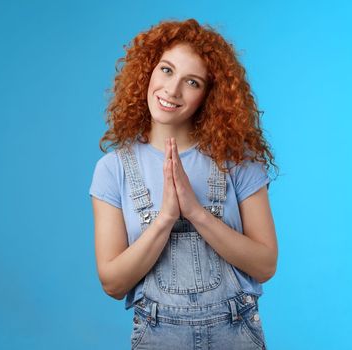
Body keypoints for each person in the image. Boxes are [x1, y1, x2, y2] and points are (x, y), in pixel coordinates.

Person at [89, 19, 278, 349]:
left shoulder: (237, 161)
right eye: (166, 70)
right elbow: (113, 283)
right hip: (158, 336)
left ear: (208, 95)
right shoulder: (113, 169)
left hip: (236, 335)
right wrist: (164, 219)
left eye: (192, 82)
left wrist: (196, 212)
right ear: (147, 70)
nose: (172, 90)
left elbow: (265, 265)